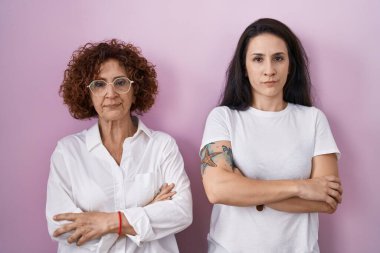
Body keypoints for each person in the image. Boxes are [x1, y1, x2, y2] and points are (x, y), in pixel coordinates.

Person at [200, 18, 342, 253]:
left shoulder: (313, 120)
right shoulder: (223, 117)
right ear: (244, 67)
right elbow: (217, 190)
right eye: (258, 59)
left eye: (278, 58)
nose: (269, 70)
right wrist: (300, 187)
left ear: (290, 64)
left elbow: (326, 201)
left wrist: (245, 187)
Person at [46, 39, 192, 253]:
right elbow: (62, 228)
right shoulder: (67, 152)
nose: (111, 93)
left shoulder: (162, 146)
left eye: (121, 82)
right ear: (88, 94)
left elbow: (181, 211)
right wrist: (145, 213)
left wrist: (108, 222)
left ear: (135, 90)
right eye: (99, 84)